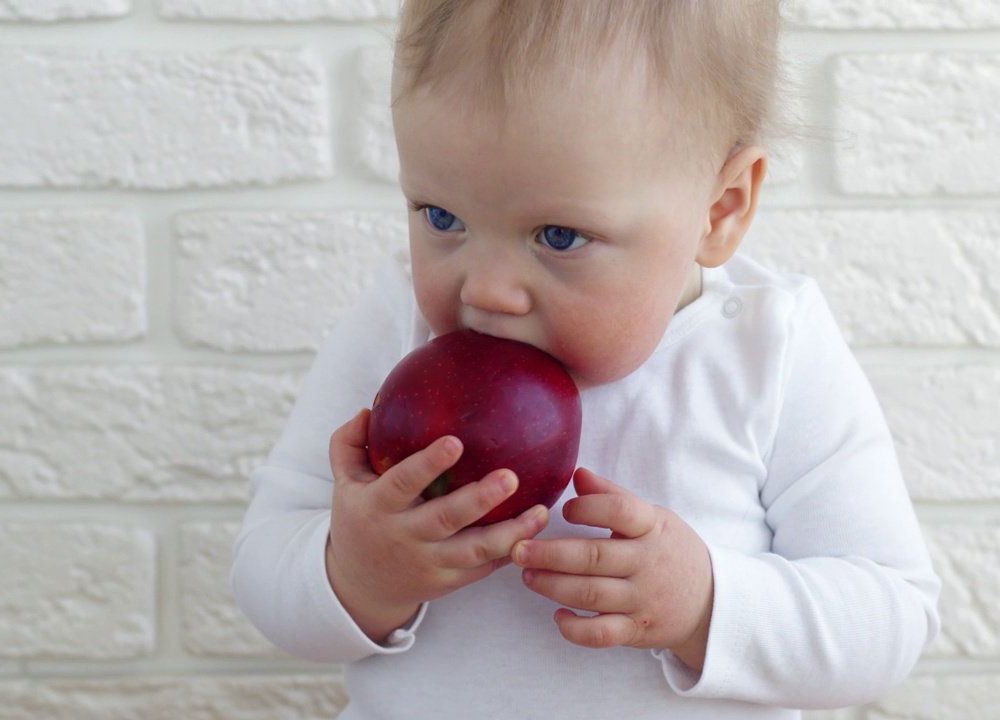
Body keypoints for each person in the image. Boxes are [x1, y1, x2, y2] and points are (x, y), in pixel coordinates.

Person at [230, 1, 940, 717]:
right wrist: (359, 572)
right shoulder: (397, 325)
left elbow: (890, 615)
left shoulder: (768, 348)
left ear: (719, 209)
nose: (487, 289)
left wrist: (705, 605)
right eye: (442, 218)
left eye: (559, 236)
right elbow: (263, 567)